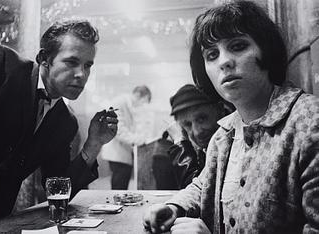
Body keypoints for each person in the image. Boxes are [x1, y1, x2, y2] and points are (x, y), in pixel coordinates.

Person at [143, 1, 319, 233]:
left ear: (266, 51)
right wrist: (174, 206)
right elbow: (204, 184)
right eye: (212, 54)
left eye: (238, 46)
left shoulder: (309, 121)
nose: (224, 62)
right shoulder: (224, 134)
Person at [0, 20, 118, 226]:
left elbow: (57, 190)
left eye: (87, 65)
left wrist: (93, 145)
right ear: (44, 59)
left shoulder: (66, 123)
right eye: (71, 62)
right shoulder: (3, 65)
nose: (81, 75)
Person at [166, 84, 225, 189]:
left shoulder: (235, 144)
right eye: (188, 124)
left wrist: (180, 143)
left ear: (220, 110)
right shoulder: (204, 151)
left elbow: (202, 193)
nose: (197, 132)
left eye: (202, 119)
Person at [101, 85, 152, 189]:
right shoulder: (119, 103)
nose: (142, 105)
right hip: (117, 153)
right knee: (119, 185)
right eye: (143, 101)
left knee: (122, 183)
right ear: (138, 95)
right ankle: (116, 205)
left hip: (122, 152)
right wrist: (138, 140)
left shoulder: (128, 104)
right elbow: (118, 131)